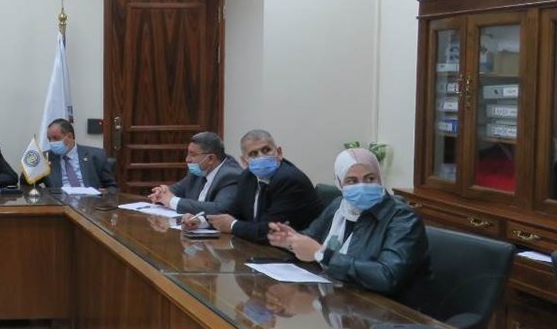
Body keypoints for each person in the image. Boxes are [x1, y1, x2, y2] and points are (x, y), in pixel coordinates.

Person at [268, 147, 432, 302]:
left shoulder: (403, 218)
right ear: (339, 184)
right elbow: (312, 239)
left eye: (370, 179)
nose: (362, 186)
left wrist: (323, 255)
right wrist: (292, 240)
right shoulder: (339, 206)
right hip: (343, 297)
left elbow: (387, 277)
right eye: (352, 181)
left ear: (380, 179)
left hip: (391, 309)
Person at [184, 128, 320, 243]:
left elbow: (271, 231)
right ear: (244, 161)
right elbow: (234, 212)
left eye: (266, 150)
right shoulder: (247, 177)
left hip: (294, 255)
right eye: (253, 154)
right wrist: (201, 221)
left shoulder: (289, 180)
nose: (261, 157)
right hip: (258, 248)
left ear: (278, 153)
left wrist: (233, 225)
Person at [149, 131, 241, 214]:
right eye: (188, 153)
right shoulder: (198, 171)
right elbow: (177, 189)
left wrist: (172, 201)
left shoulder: (230, 175)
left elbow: (219, 209)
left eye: (193, 154)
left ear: (210, 158)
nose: (187, 159)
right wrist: (162, 193)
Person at [40, 118, 117, 191]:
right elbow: (32, 184)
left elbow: (112, 187)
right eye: (49, 139)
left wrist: (105, 193)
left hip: (90, 199)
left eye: (56, 138)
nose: (52, 142)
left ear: (70, 136)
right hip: (59, 199)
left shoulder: (96, 155)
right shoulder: (45, 158)